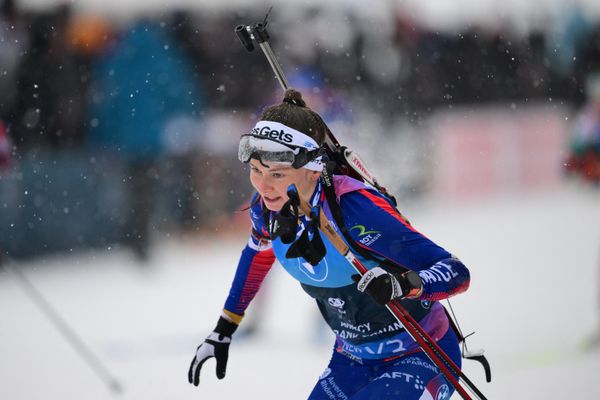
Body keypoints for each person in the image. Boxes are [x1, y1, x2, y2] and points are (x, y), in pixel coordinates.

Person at [188, 88, 471, 399]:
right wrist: (224, 329)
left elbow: (455, 271)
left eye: (278, 175)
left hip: (421, 354)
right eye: (256, 170)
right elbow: (256, 259)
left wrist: (403, 284)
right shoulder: (267, 208)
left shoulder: (356, 210)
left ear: (312, 170)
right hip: (352, 359)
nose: (264, 185)